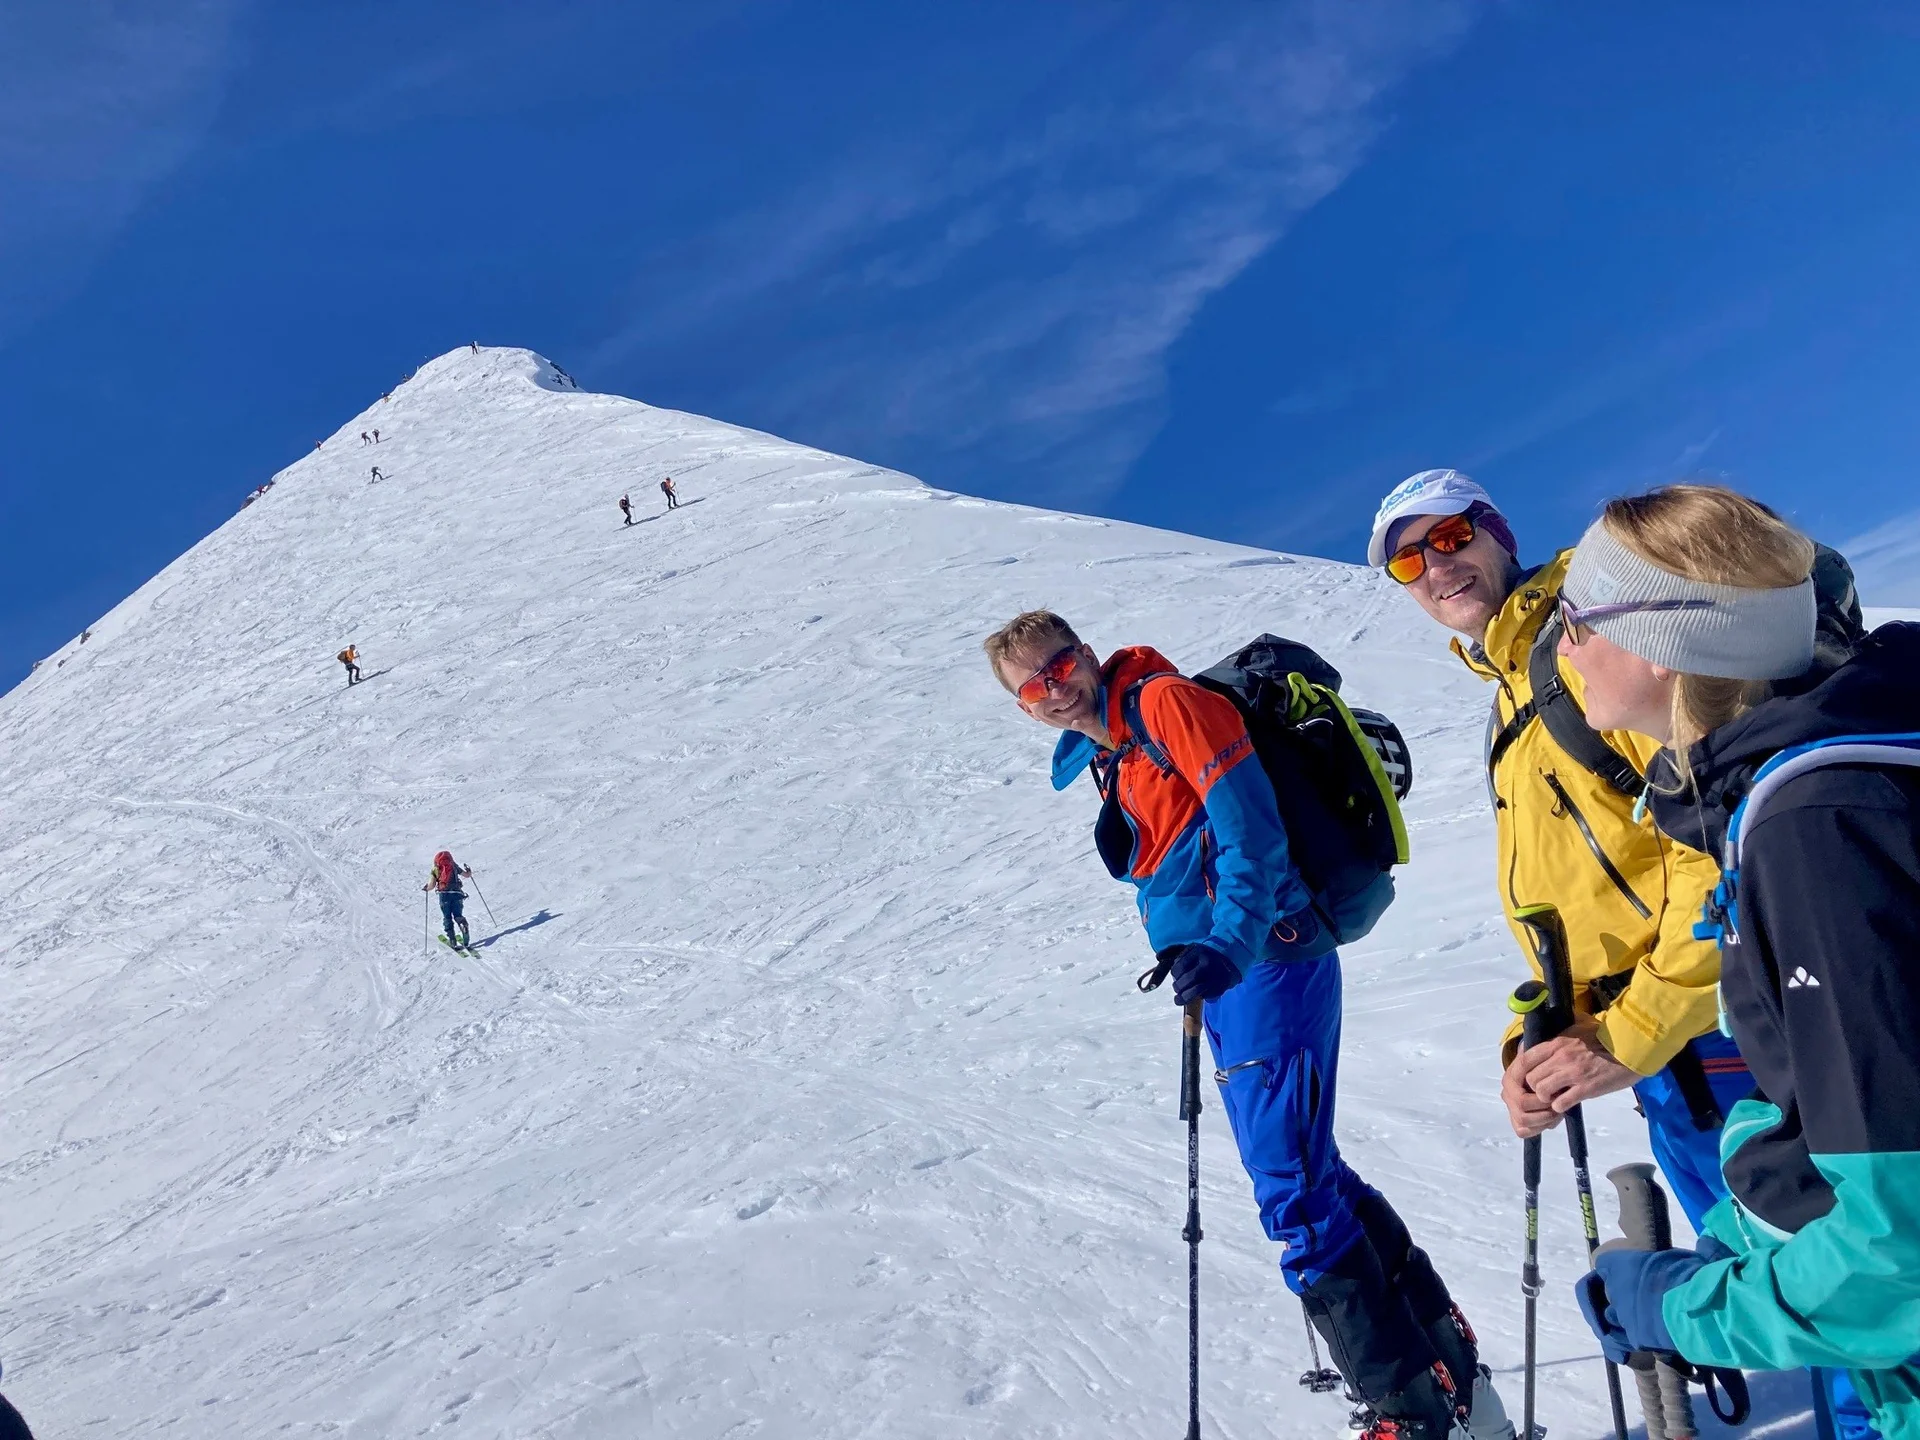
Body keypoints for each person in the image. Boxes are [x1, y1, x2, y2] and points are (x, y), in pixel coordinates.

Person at [985, 610, 1512, 1440]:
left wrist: (1226, 946)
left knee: (1293, 1195)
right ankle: (1442, 1355)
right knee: (1310, 1172)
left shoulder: (1166, 705)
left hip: (1271, 955)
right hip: (1229, 973)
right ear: (1023, 705)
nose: (1054, 690)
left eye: (1058, 668)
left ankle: (1410, 1411)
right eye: (1033, 687)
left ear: (1085, 653)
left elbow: (1251, 833)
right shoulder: (1111, 752)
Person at [1555, 485, 1918, 1440]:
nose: (1561, 650)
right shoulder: (1847, 757)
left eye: (1574, 617)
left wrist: (1682, 1311)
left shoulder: (1816, 827)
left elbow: (1901, 1256)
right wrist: (1743, 1229)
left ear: (1661, 642)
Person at [1370, 469, 1756, 1229]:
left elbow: (1719, 843)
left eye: (1450, 538)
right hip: (1665, 1056)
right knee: (1758, 1288)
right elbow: (1583, 890)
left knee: (1824, 1304)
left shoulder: (1592, 639)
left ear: (1499, 535)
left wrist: (1633, 1030)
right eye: (1409, 561)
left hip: (1727, 1033)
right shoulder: (1512, 696)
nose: (1437, 567)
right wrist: (1541, 1037)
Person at [423, 850, 475, 949]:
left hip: (444, 895)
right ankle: (463, 925)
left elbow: (432, 885)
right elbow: (467, 875)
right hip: (457, 893)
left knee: (447, 917)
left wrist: (426, 888)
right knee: (458, 915)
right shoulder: (453, 865)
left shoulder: (436, 868)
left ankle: (452, 940)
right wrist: (469, 871)